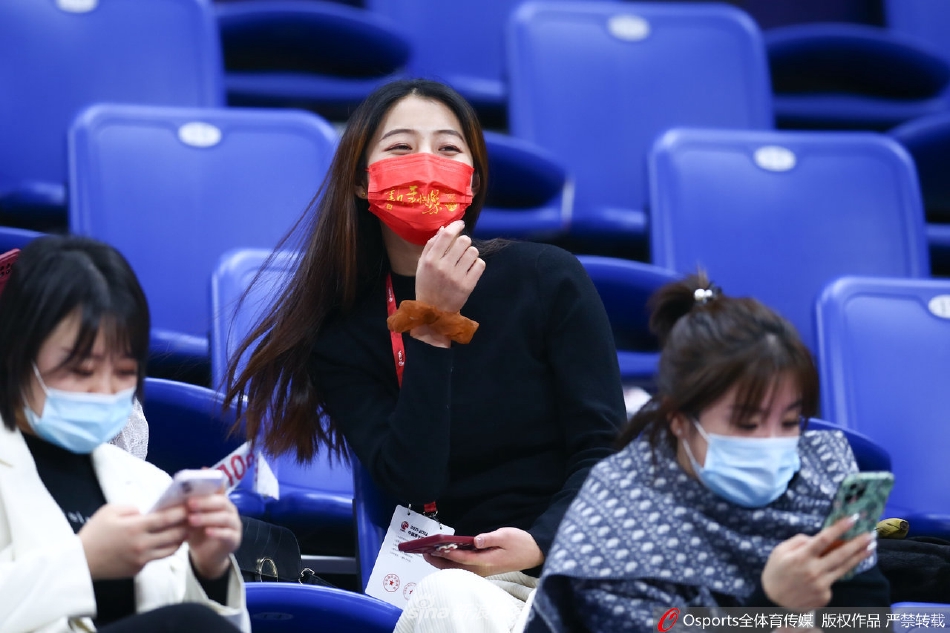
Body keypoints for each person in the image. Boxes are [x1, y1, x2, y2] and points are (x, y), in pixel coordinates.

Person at [224, 79, 627, 631]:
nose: (425, 165)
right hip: (464, 583)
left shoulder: (547, 278)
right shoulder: (341, 333)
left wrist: (538, 542)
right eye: (400, 147)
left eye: (448, 149)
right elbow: (414, 478)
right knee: (452, 600)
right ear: (363, 183)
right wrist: (432, 326)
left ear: (473, 179)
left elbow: (604, 452)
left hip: (576, 562)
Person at [526, 273, 891, 633]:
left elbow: (870, 619)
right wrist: (772, 604)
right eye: (747, 424)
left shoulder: (821, 473)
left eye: (791, 421)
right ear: (678, 419)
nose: (771, 442)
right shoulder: (616, 521)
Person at [0, 235, 249, 633]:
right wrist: (83, 562)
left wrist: (209, 569)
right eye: (81, 370)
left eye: (124, 372)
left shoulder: (149, 483)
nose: (105, 391)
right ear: (15, 355)